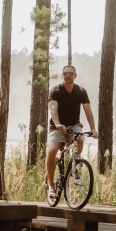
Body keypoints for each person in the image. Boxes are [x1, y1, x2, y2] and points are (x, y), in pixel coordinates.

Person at [46, 65, 98, 199]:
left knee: (80, 139)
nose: (68, 75)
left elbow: (88, 111)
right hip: (57, 126)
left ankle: (75, 163)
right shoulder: (56, 90)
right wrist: (57, 124)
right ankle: (51, 187)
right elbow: (53, 108)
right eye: (65, 73)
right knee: (52, 151)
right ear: (62, 75)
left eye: (71, 73)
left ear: (75, 75)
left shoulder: (81, 91)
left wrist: (93, 129)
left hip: (74, 125)